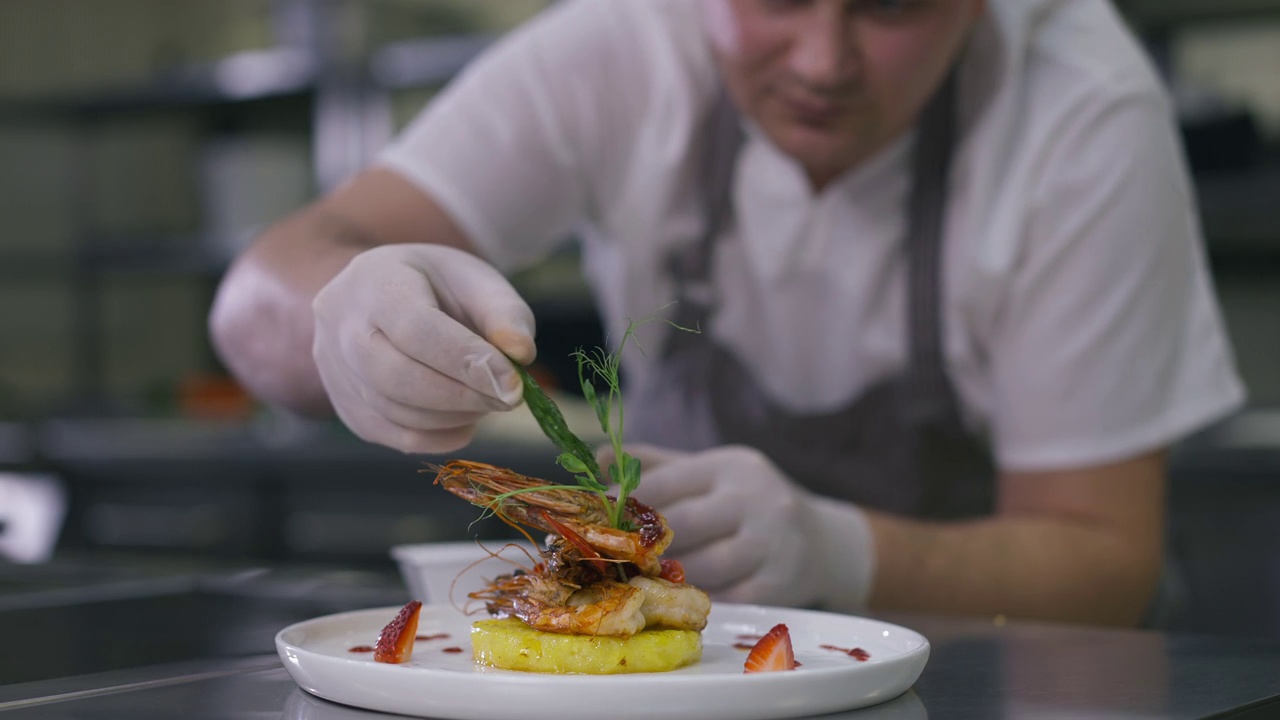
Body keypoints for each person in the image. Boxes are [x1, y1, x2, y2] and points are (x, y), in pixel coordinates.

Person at [209, 0, 1245, 626]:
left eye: (890, 7)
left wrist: (844, 555)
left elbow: (1106, 562)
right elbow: (254, 302)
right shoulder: (622, 46)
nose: (820, 62)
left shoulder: (1074, 108)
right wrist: (343, 314)